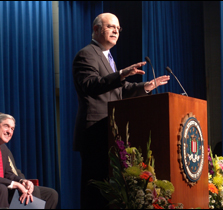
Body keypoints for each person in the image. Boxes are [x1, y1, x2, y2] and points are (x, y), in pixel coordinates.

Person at [72, 13, 170, 209]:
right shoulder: (87, 54)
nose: (116, 31)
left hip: (110, 131)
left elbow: (120, 90)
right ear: (96, 29)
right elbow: (91, 85)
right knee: (95, 190)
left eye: (118, 28)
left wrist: (146, 87)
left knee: (110, 190)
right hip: (94, 132)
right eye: (111, 27)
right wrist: (122, 74)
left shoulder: (107, 58)